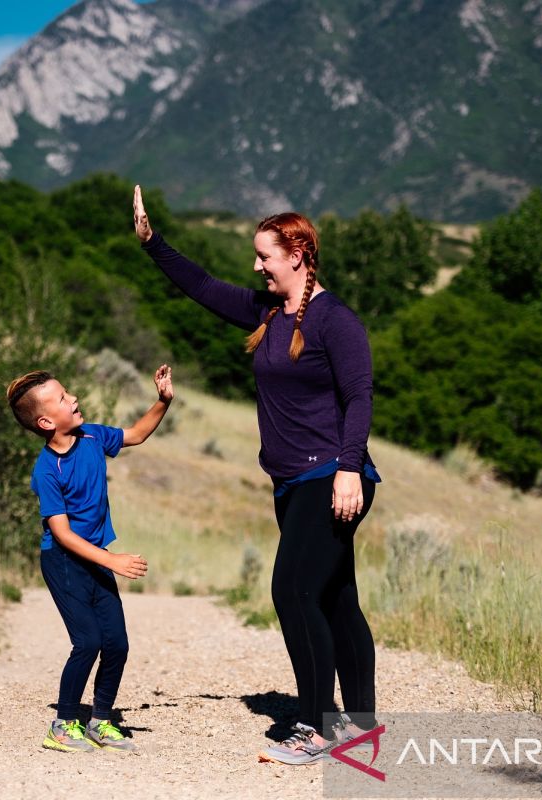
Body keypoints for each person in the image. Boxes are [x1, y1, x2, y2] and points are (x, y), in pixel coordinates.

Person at [132, 185, 380, 765]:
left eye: (264, 255)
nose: (256, 265)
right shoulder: (269, 311)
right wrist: (152, 243)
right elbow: (201, 286)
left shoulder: (334, 321)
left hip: (332, 475)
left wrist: (349, 470)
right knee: (336, 596)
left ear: (296, 255)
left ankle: (318, 729)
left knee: (292, 591)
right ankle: (361, 726)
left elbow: (360, 396)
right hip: (291, 480)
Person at [6, 365, 173, 753]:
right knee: (88, 642)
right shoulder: (47, 469)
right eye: (63, 398)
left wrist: (163, 400)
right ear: (46, 420)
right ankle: (63, 725)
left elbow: (136, 434)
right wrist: (113, 561)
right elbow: (62, 534)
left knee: (117, 644)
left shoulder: (93, 435)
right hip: (64, 563)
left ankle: (100, 722)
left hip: (96, 559)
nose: (74, 399)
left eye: (69, 393)